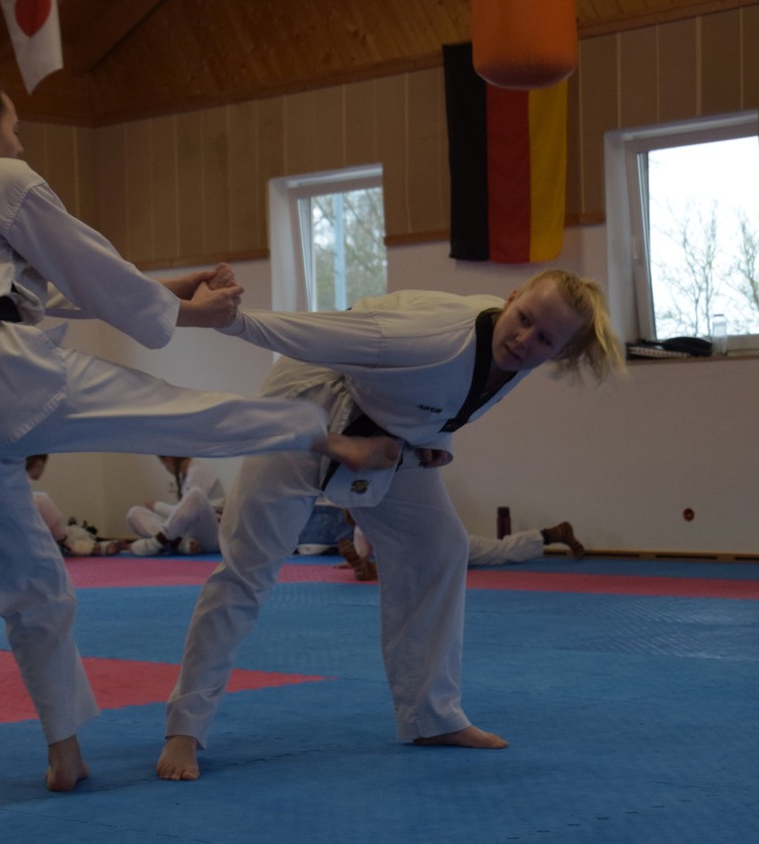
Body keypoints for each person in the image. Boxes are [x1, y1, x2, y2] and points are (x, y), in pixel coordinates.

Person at [0, 74, 401, 793]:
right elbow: (87, 271)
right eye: (13, 130)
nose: (19, 145)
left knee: (27, 589)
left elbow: (46, 290)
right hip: (0, 376)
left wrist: (170, 290)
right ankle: (320, 436)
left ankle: (64, 751)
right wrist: (196, 313)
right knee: (176, 410)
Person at [155, 273, 624, 781]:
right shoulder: (431, 335)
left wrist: (431, 439)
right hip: (303, 404)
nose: (524, 339)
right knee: (249, 566)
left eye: (545, 339)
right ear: (511, 299)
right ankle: (186, 727)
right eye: (523, 319)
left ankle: (431, 716)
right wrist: (226, 318)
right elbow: (309, 333)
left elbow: (443, 395)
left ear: (561, 350)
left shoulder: (514, 357)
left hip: (382, 431)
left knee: (439, 547)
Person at [337, 519, 586, 581]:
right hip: (441, 548)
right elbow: (364, 555)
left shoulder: (364, 525)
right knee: (501, 550)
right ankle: (554, 533)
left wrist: (361, 563)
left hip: (445, 547)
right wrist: (358, 562)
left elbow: (364, 555)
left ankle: (555, 533)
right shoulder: (368, 523)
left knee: (501, 551)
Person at [125, 456, 225, 555]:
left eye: (164, 465)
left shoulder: (198, 471)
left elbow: (189, 513)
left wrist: (157, 506)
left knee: (196, 494)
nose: (166, 469)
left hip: (210, 537)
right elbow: (181, 516)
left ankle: (156, 543)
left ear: (169, 459)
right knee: (134, 513)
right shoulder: (186, 474)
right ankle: (181, 545)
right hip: (190, 535)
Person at [25, 454, 122, 557]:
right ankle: (91, 547)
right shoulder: (38, 499)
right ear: (39, 464)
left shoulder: (21, 488)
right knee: (43, 502)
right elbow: (59, 536)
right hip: (32, 546)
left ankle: (80, 543)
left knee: (66, 531)